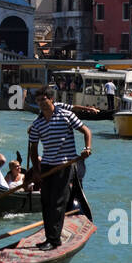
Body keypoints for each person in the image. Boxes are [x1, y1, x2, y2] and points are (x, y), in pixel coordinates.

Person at [26, 87, 93, 249]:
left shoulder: (67, 115)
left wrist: (87, 148)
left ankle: (54, 240)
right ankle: (50, 237)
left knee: (57, 202)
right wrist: (36, 171)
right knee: (46, 202)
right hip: (48, 165)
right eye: (38, 101)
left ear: (51, 100)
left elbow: (86, 131)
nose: (41, 103)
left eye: (43, 100)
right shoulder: (37, 124)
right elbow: (33, 149)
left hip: (65, 164)